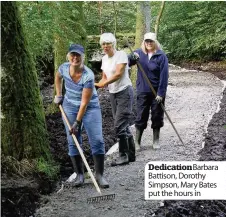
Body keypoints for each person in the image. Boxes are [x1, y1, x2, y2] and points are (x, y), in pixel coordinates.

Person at [54, 44, 109, 188]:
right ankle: (79, 174)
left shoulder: (88, 76)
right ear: (68, 56)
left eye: (78, 55)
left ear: (83, 57)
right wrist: (59, 94)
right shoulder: (64, 68)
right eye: (72, 54)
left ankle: (99, 175)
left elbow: (84, 103)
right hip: (69, 107)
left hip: (90, 107)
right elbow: (58, 77)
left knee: (97, 139)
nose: (75, 58)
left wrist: (77, 122)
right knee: (73, 140)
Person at [95, 33, 136, 166]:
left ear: (113, 44)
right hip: (113, 93)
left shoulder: (121, 55)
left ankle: (123, 155)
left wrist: (104, 83)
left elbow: (118, 74)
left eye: (107, 43)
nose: (105, 46)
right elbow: (104, 77)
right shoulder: (104, 59)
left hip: (124, 91)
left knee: (119, 125)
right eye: (103, 44)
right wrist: (98, 84)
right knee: (123, 125)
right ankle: (131, 154)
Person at [128, 32, 169, 150]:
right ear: (144, 42)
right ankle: (137, 142)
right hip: (142, 91)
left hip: (157, 92)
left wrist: (161, 93)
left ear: (155, 42)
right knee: (141, 115)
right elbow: (128, 62)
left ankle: (156, 140)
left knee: (157, 115)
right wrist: (132, 57)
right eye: (147, 41)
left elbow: (164, 76)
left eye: (151, 41)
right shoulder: (139, 53)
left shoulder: (161, 56)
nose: (149, 43)